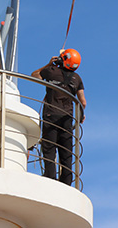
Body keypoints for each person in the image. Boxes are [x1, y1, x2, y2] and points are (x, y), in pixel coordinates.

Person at [31, 49, 86, 185]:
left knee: (49, 149)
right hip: (67, 118)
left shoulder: (51, 71)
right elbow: (83, 102)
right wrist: (80, 114)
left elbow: (34, 75)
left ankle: (50, 180)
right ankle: (66, 183)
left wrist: (48, 64)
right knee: (66, 152)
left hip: (51, 115)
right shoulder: (77, 78)